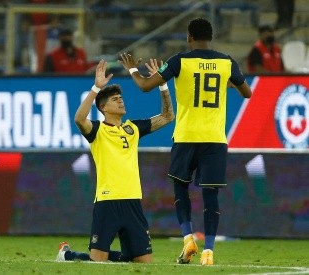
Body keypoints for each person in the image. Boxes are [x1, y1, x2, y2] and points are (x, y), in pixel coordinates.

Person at [119, 17, 252, 266]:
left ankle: (188, 237)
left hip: (186, 136)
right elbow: (248, 92)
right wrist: (226, 82)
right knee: (210, 194)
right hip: (214, 139)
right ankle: (209, 252)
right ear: (210, 37)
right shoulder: (226, 62)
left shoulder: (179, 61)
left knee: (181, 188)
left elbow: (145, 86)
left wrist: (132, 69)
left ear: (189, 37)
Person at [56, 58, 174, 263]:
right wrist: (95, 88)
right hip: (107, 202)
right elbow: (78, 119)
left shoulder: (133, 129)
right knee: (97, 262)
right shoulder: (97, 131)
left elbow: (167, 116)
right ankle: (67, 255)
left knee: (144, 263)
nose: (121, 101)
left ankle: (121, 257)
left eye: (121, 97)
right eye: (115, 99)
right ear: (103, 107)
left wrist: (162, 83)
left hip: (133, 201)